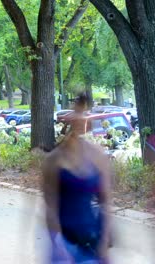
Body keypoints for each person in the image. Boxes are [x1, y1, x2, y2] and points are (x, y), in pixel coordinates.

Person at [43, 93, 111, 263]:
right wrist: (58, 245)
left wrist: (104, 240)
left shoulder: (97, 155)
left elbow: (106, 202)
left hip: (91, 240)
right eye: (76, 113)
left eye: (84, 114)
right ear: (68, 119)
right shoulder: (54, 159)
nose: (80, 118)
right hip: (65, 242)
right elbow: (50, 207)